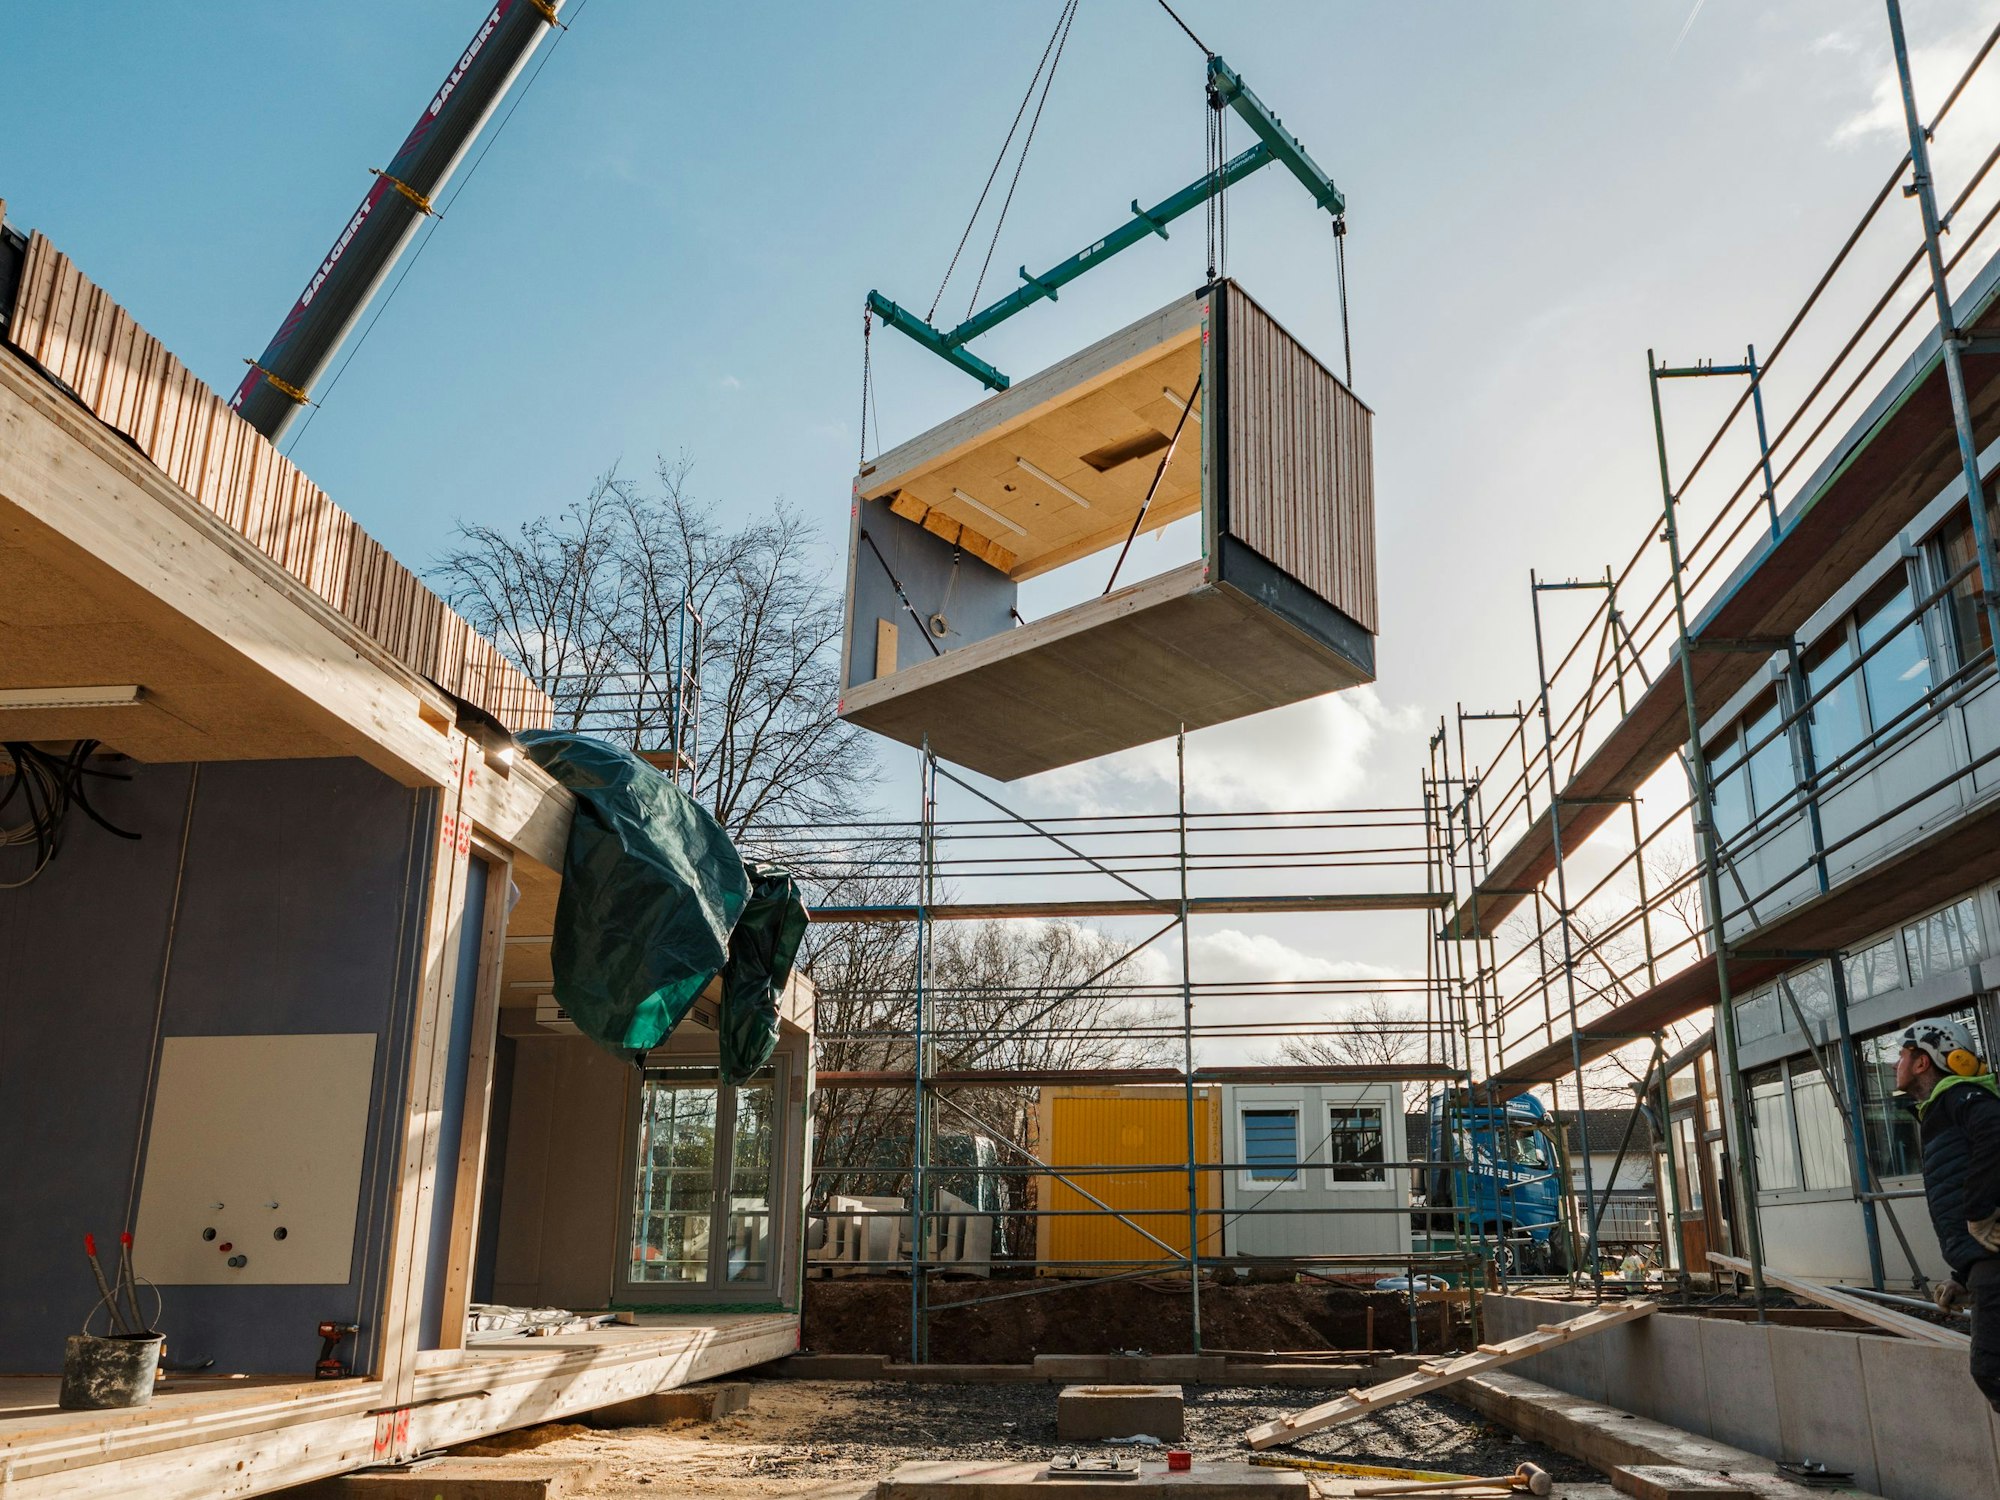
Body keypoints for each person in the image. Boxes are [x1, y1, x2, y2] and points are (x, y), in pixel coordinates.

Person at [1898, 1016, 2000, 1411]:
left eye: (1902, 1055)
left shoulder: (1963, 1097)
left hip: (1995, 1262)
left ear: (1922, 1061)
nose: (1896, 1064)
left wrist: (1979, 1212)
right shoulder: (1946, 1106)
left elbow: (1995, 1136)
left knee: (1992, 1369)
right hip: (1985, 1263)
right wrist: (1962, 1275)